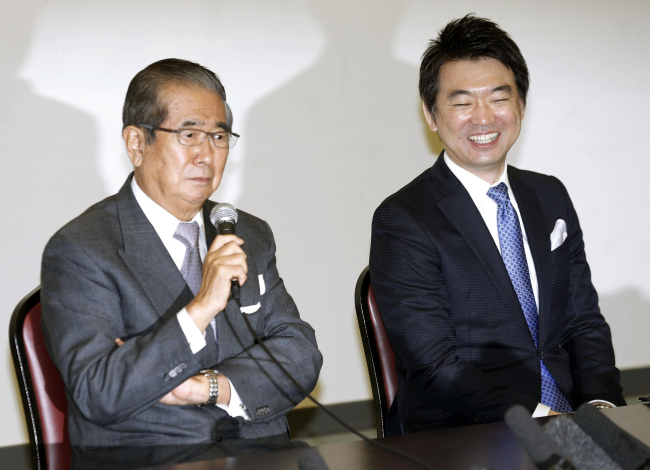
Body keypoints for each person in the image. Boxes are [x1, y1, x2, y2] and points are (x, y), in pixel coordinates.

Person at [41, 58, 322, 468]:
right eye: (189, 134)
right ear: (137, 143)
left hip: (260, 452)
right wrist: (199, 309)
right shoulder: (82, 248)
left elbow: (299, 354)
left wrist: (209, 387)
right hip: (146, 458)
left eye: (220, 137)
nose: (207, 156)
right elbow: (98, 391)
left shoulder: (247, 232)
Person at [369, 14, 624, 434]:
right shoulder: (404, 219)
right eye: (463, 102)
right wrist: (547, 422)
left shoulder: (549, 195)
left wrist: (599, 405)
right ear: (431, 115)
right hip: (466, 431)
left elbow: (584, 320)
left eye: (499, 98)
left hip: (575, 414)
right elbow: (436, 367)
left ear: (521, 104)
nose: (484, 118)